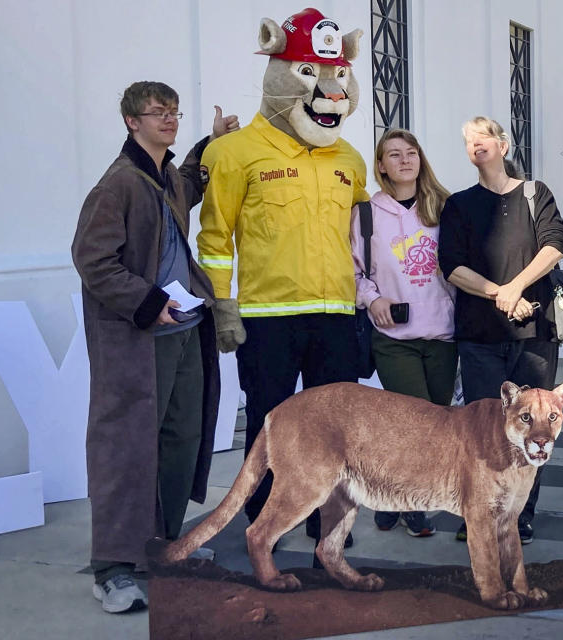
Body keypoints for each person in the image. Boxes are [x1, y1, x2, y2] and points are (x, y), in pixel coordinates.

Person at [196, 8, 369, 547]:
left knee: (338, 434)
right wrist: (223, 306)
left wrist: (370, 300)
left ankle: (329, 528)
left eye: (338, 75)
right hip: (267, 318)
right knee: (270, 430)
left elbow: (363, 240)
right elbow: (215, 236)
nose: (330, 92)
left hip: (336, 316)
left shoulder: (351, 159)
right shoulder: (231, 153)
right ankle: (262, 529)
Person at [71, 81, 237, 614]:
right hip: (139, 336)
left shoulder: (161, 174)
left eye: (173, 111)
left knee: (180, 438)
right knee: (125, 448)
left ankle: (163, 548)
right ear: (130, 121)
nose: (168, 118)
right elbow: (93, 260)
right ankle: (114, 570)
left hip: (182, 331)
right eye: (156, 112)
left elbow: (188, 183)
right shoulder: (116, 185)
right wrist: (146, 303)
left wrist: (208, 145)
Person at [438, 116, 563, 545]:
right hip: (479, 336)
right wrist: (499, 293)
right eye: (468, 140)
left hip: (534, 335)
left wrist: (516, 287)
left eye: (484, 137)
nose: (477, 144)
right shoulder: (458, 204)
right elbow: (452, 266)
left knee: (535, 429)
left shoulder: (535, 194)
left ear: (503, 144)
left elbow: (553, 245)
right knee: (482, 429)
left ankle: (519, 514)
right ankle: (478, 511)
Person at [351, 129, 456, 538]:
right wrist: (370, 297)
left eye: (411, 153)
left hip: (443, 333)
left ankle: (386, 496)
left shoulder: (443, 208)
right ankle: (413, 505)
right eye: (394, 154)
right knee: (418, 422)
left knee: (436, 422)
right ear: (381, 165)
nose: (404, 160)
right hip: (394, 336)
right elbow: (355, 270)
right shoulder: (366, 213)